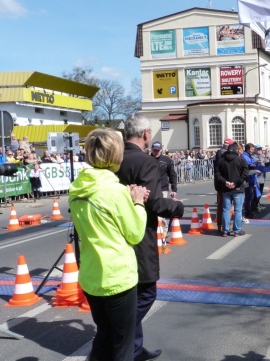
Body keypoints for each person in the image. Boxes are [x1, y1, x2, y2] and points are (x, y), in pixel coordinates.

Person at [69, 129, 148, 361]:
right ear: (116, 154)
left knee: (104, 336)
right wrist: (138, 203)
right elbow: (135, 234)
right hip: (117, 276)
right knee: (122, 344)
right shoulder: (114, 191)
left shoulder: (77, 188)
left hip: (91, 275)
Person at [115, 114, 184, 361]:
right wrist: (177, 207)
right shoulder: (145, 162)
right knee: (146, 292)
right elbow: (154, 202)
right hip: (140, 231)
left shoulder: (115, 157)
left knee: (131, 291)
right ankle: (121, 337)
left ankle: (134, 347)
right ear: (146, 134)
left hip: (115, 231)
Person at [215, 142, 248, 237]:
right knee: (238, 210)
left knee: (226, 210)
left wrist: (226, 182)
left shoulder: (221, 160)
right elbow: (245, 173)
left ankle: (225, 230)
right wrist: (236, 183)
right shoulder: (241, 160)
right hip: (238, 188)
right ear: (236, 150)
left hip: (225, 188)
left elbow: (217, 174)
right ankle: (237, 231)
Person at [150, 141, 178, 239]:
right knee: (152, 212)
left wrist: (174, 189)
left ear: (161, 150)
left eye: (158, 150)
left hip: (163, 189)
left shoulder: (166, 160)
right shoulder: (148, 159)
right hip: (150, 189)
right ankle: (155, 231)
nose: (156, 152)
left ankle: (163, 232)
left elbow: (172, 175)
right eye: (154, 150)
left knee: (160, 212)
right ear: (151, 149)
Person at [215, 138, 235, 232]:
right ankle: (226, 225)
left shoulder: (218, 154)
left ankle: (220, 225)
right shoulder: (226, 157)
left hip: (219, 183)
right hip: (225, 183)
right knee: (227, 206)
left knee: (220, 205)